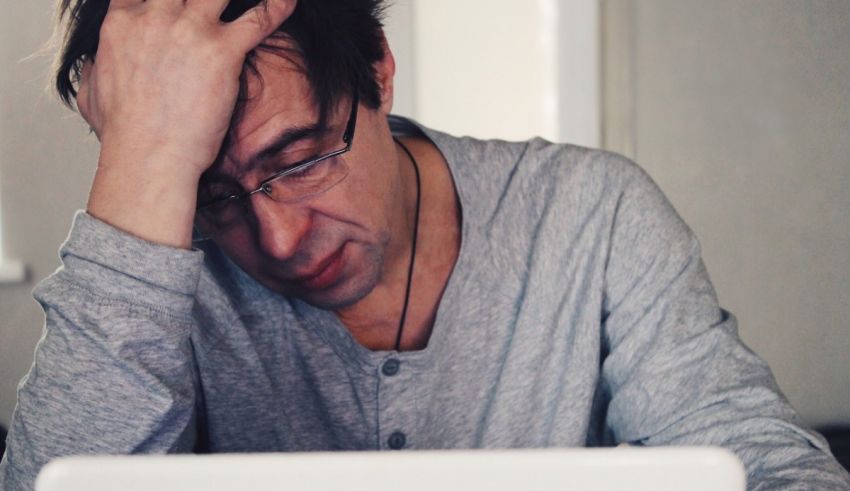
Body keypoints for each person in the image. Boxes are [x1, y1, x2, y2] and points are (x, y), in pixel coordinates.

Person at [1, 0, 848, 489]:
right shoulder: (162, 260)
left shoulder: (591, 212)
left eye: (300, 160)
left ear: (377, 69)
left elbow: (762, 457)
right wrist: (143, 173)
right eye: (212, 195)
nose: (281, 236)